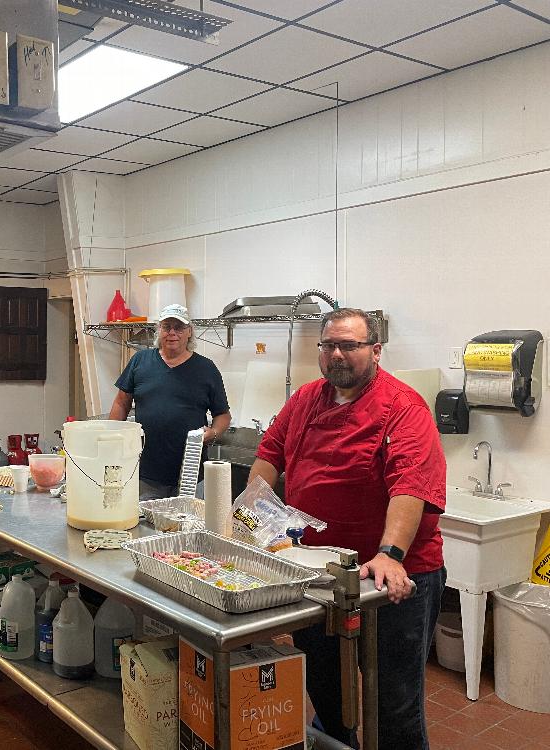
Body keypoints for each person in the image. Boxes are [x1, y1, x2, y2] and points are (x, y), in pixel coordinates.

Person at [248, 307, 446, 749]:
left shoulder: (403, 407)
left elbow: (410, 485)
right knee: (326, 691)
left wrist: (390, 554)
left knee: (393, 705)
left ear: (375, 351)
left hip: (391, 577)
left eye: (349, 346)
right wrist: (255, 520)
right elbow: (269, 456)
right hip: (318, 574)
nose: (337, 354)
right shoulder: (305, 399)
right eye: (329, 345)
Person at [108, 302, 231, 500]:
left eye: (179, 327)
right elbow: (121, 403)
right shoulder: (140, 361)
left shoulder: (206, 368)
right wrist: (112, 439)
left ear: (189, 331)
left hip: (191, 474)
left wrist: (214, 433)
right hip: (145, 474)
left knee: (189, 519)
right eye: (167, 327)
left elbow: (223, 415)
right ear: (159, 330)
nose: (172, 332)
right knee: (145, 520)